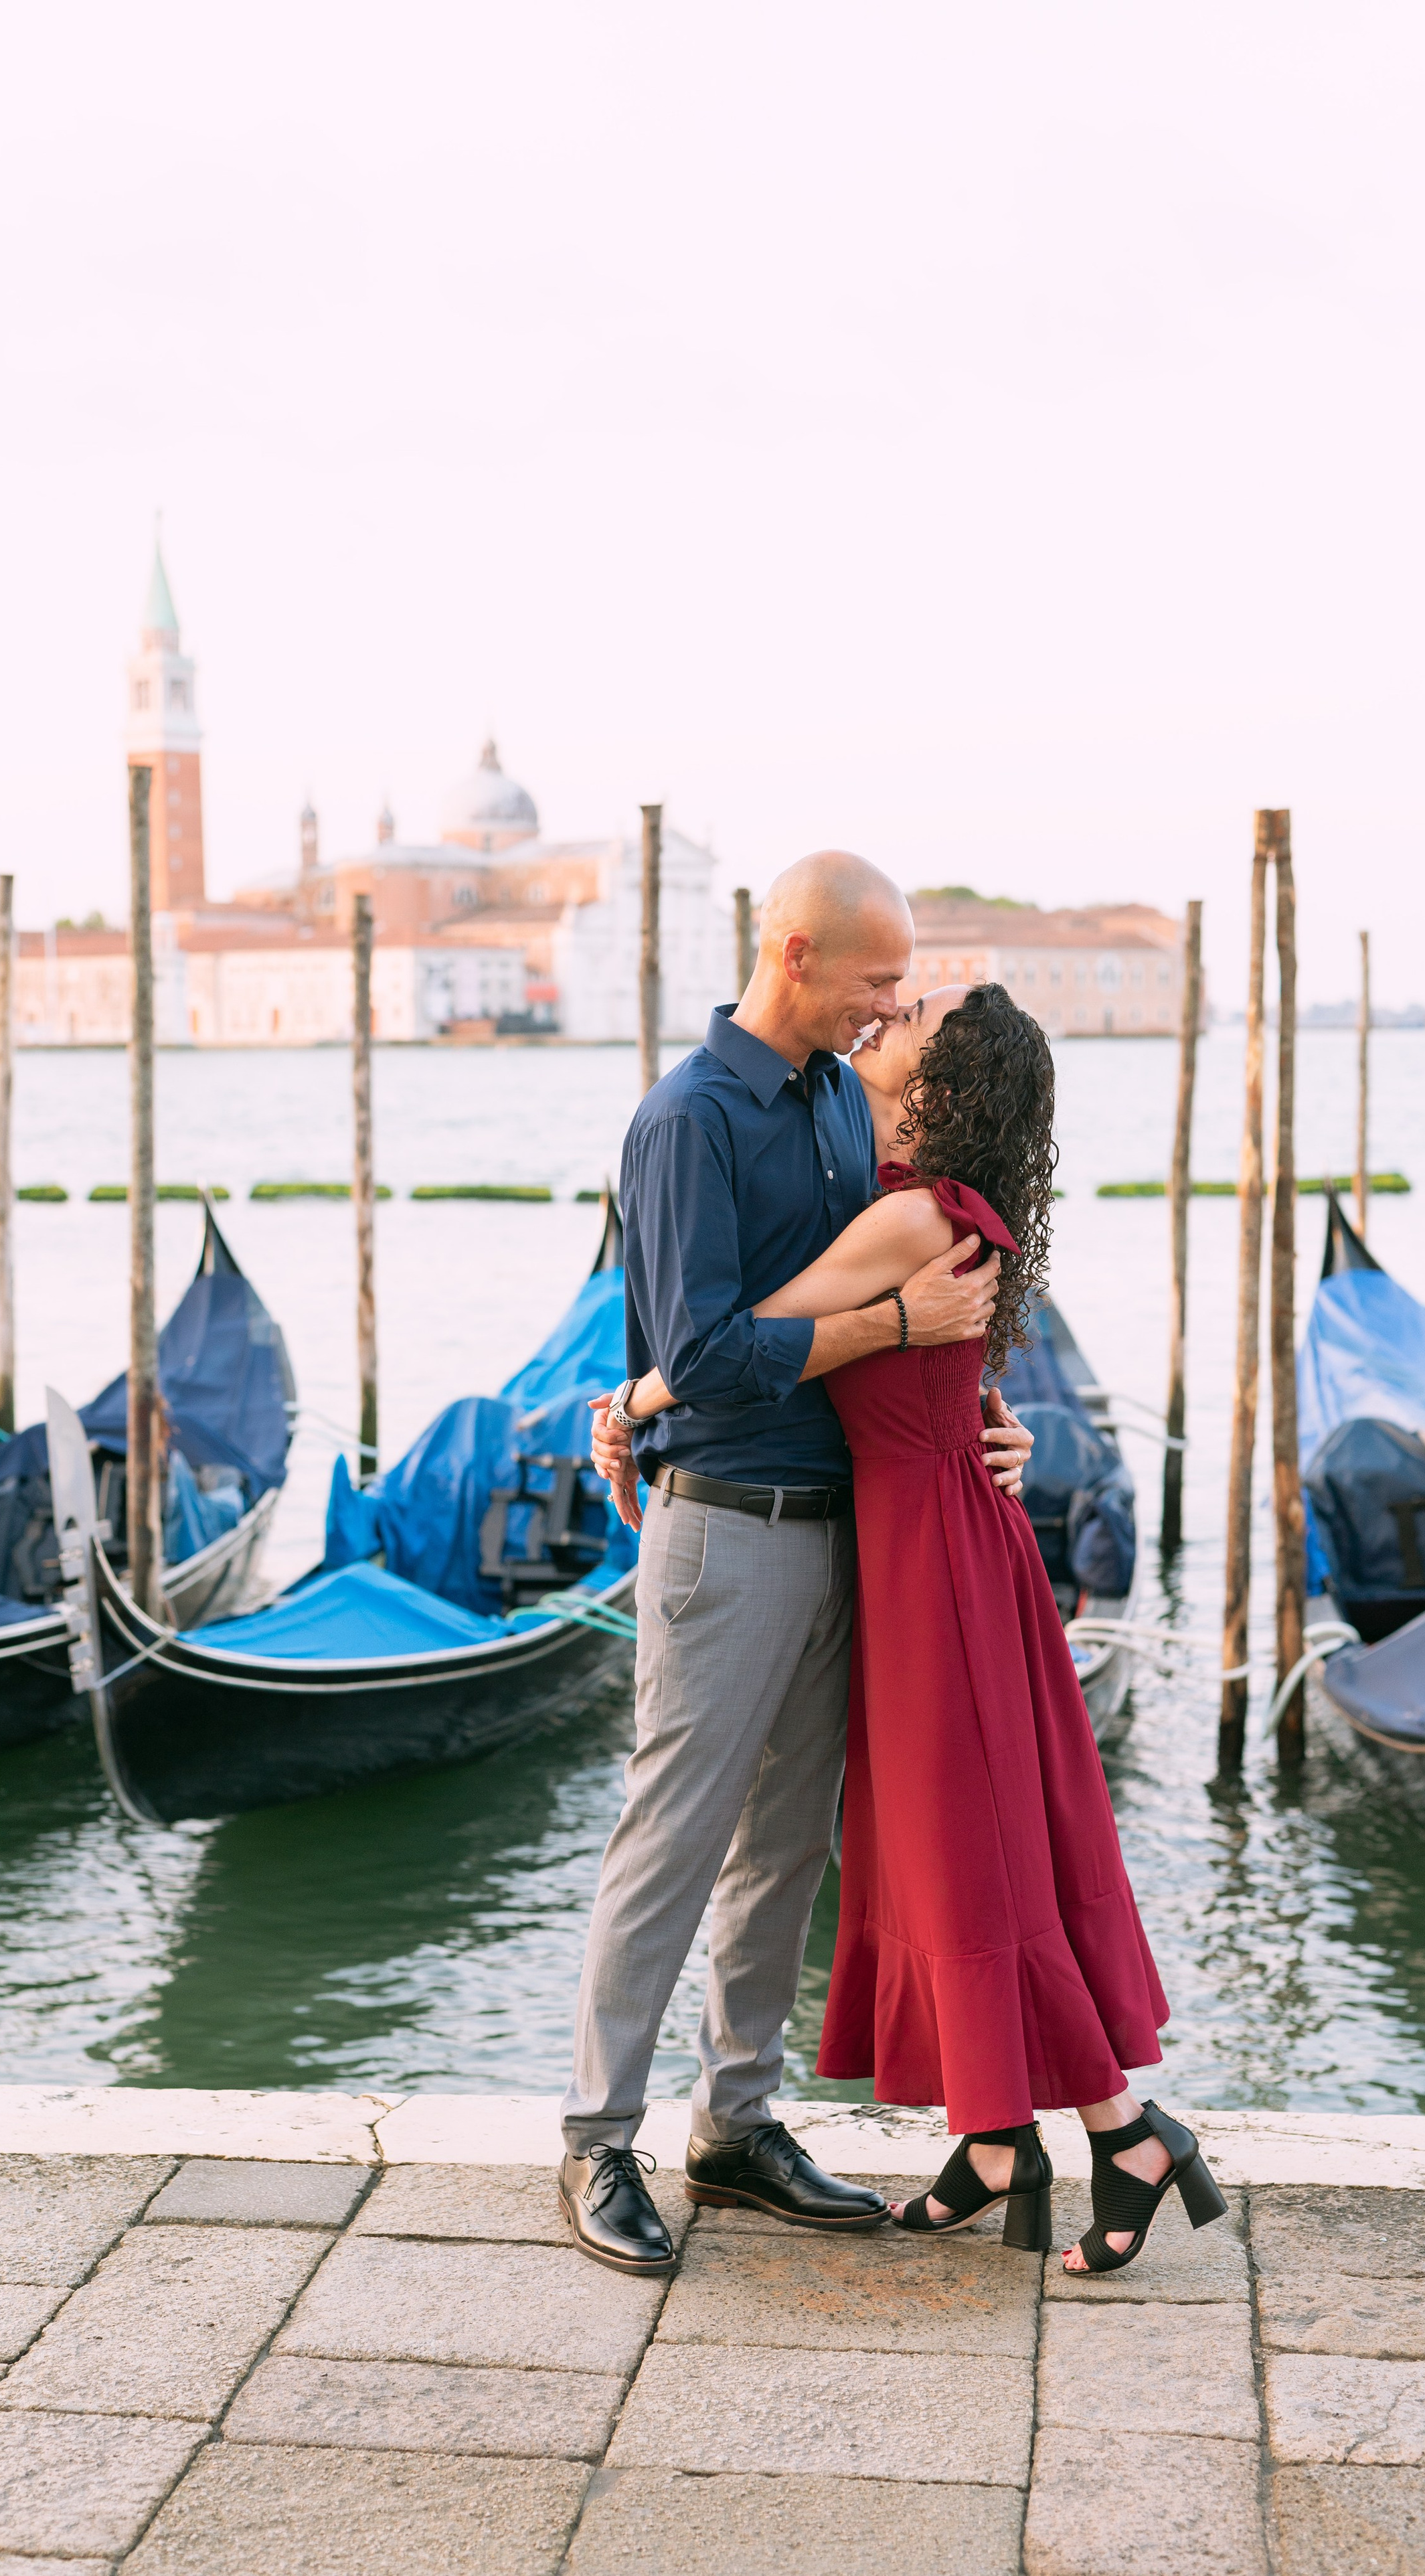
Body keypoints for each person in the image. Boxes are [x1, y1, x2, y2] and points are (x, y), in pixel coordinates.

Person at [609, 976, 1228, 2275]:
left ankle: (1123, 2128)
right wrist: (984, 1422)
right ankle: (998, 2139)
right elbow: (930, 1370)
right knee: (932, 1850)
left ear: (941, 1091)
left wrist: (632, 1398)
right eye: (883, 1001)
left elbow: (746, 1334)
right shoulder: (909, 1188)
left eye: (912, 1020)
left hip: (927, 1558)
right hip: (918, 1541)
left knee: (966, 1858)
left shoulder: (905, 1215)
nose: (881, 1022)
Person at [557, 851, 1035, 2276]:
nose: (891, 1007)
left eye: (901, 984)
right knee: (673, 1835)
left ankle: (735, 2123)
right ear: (791, 952)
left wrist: (980, 1418)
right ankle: (596, 2138)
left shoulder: (839, 1096)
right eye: (875, 979)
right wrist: (894, 1334)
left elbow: (900, 1283)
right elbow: (700, 1350)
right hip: (726, 1528)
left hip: (847, 1528)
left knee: (783, 1849)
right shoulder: (681, 1121)